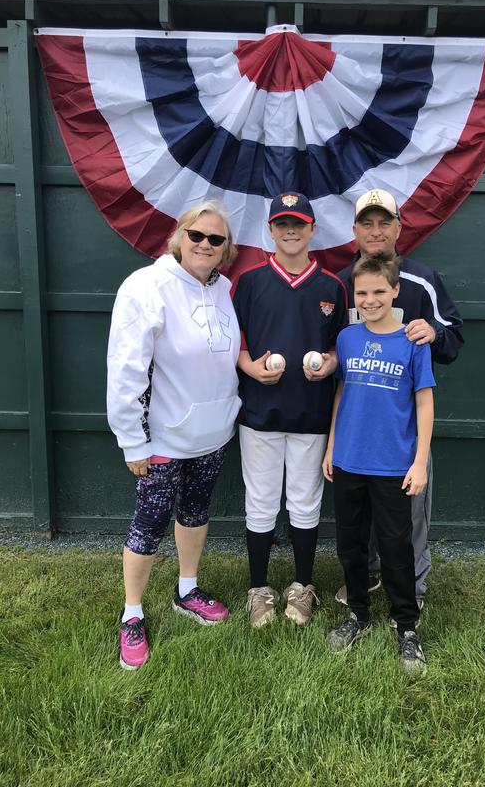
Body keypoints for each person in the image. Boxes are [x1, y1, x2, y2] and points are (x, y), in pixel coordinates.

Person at [107, 200, 241, 670]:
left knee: (196, 510)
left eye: (215, 239)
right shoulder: (146, 287)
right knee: (149, 523)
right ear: (178, 237)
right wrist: (132, 440)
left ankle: (187, 588)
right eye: (196, 234)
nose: (205, 244)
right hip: (162, 439)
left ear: (226, 248)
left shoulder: (223, 289)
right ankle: (132, 613)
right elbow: (125, 370)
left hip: (213, 433)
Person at [334, 188, 463, 616]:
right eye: (366, 223)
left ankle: (413, 589)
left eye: (384, 222)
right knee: (361, 515)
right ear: (355, 230)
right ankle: (368, 575)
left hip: (403, 428)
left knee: (408, 515)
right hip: (358, 426)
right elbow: (334, 348)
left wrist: (435, 333)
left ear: (398, 228)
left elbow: (454, 339)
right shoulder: (342, 282)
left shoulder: (421, 279)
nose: (375, 231)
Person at [232, 193, 347, 628]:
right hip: (260, 412)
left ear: (313, 229)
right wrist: (249, 367)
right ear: (271, 230)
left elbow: (338, 347)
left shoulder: (332, 286)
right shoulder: (250, 281)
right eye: (282, 223)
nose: (291, 231)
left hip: (311, 413)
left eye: (298, 223)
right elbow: (235, 340)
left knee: (304, 501)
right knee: (261, 501)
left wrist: (330, 364)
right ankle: (258, 588)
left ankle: (302, 585)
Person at [323, 254, 435, 674]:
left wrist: (419, 462)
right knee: (351, 544)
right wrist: (332, 447)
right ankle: (358, 612)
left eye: (378, 292)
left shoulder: (413, 341)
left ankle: (406, 626)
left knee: (395, 546)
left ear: (395, 291)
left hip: (392, 464)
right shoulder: (348, 338)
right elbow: (341, 394)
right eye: (362, 293)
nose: (369, 300)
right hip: (349, 460)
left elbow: (424, 404)